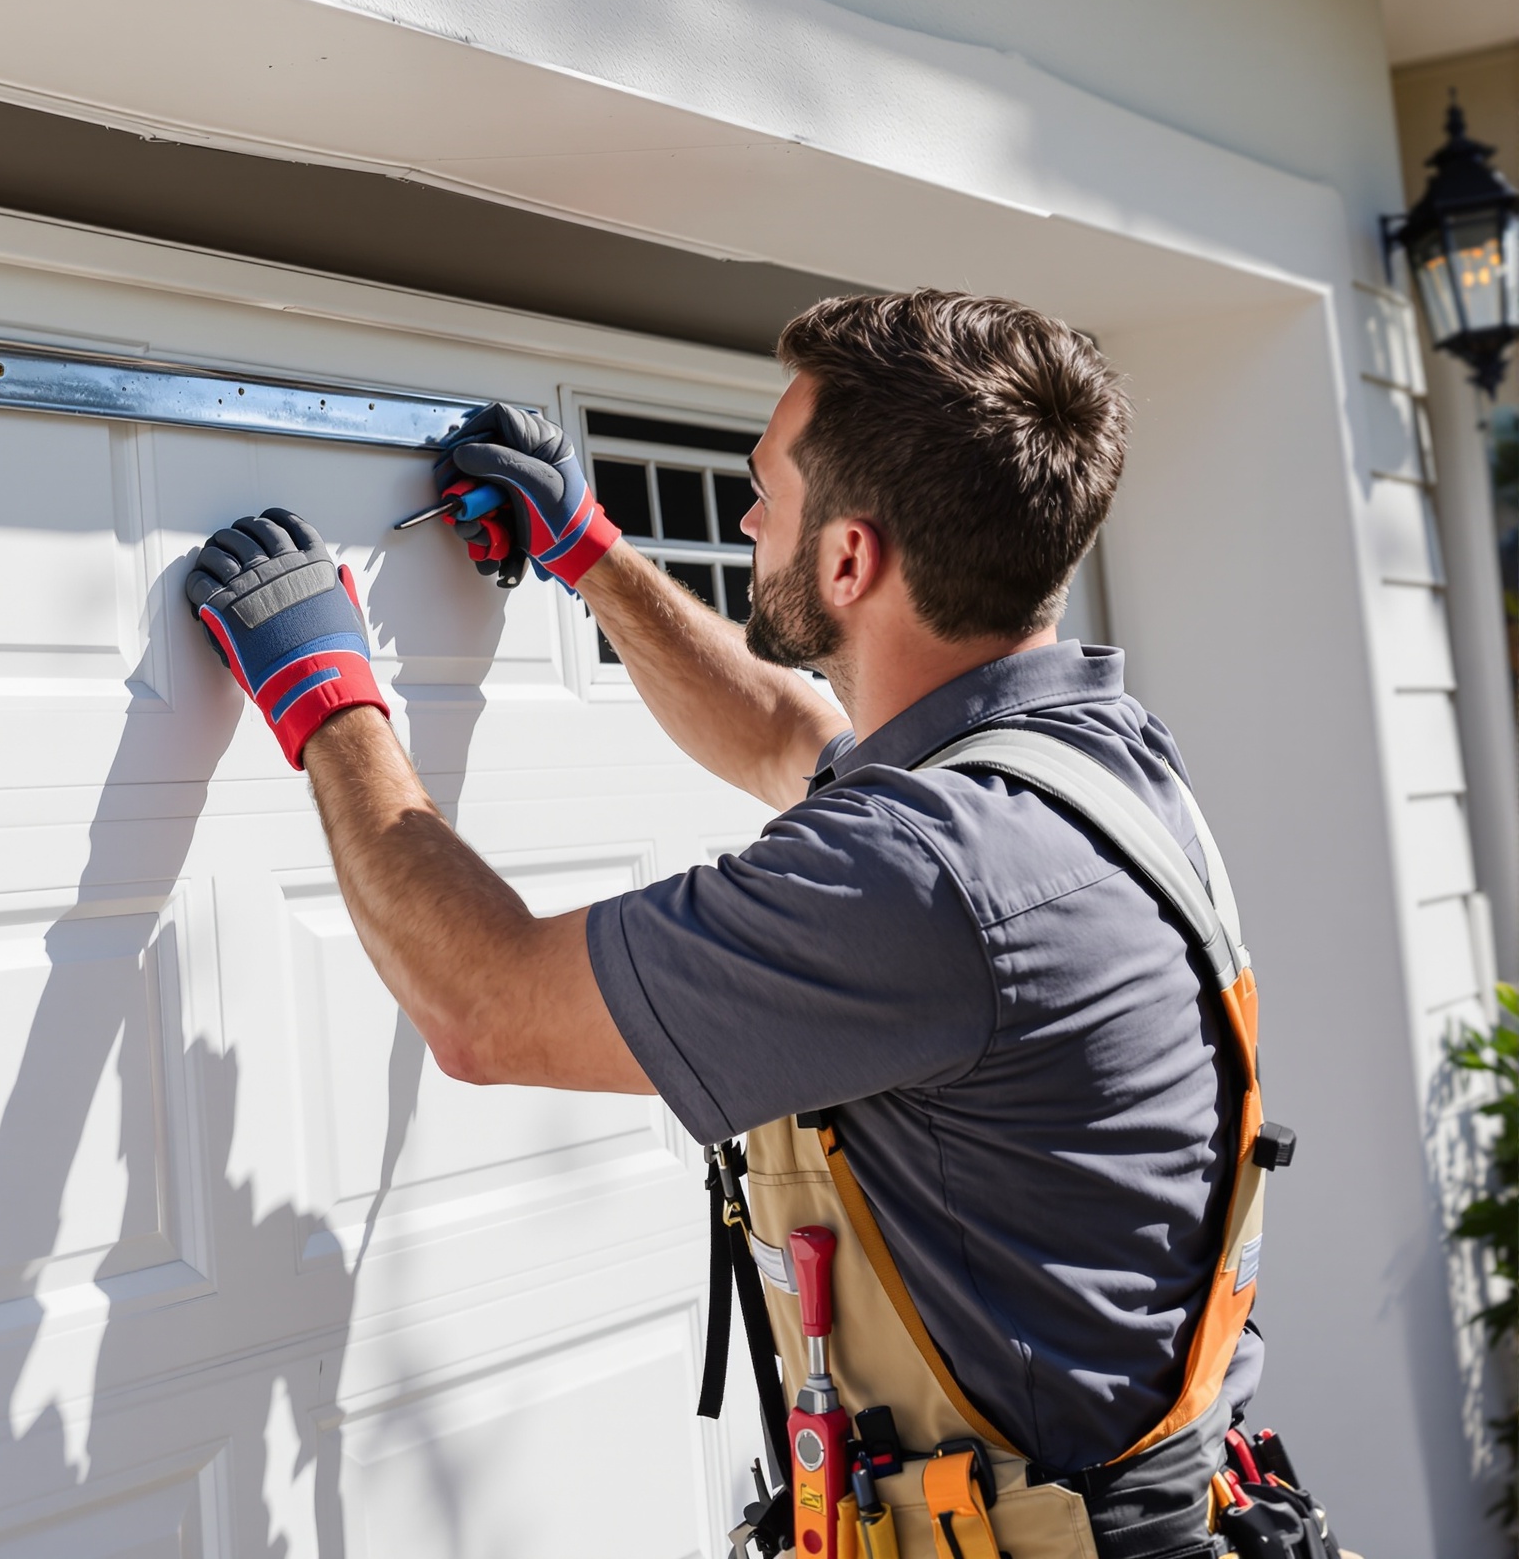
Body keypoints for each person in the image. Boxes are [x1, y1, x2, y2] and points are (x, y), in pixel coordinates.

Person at [183, 290, 1264, 1559]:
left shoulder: (926, 874)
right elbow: (787, 735)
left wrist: (330, 702)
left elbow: (485, 1005)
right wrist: (590, 554)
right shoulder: (1089, 769)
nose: (745, 517)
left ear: (850, 561)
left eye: (765, 491)